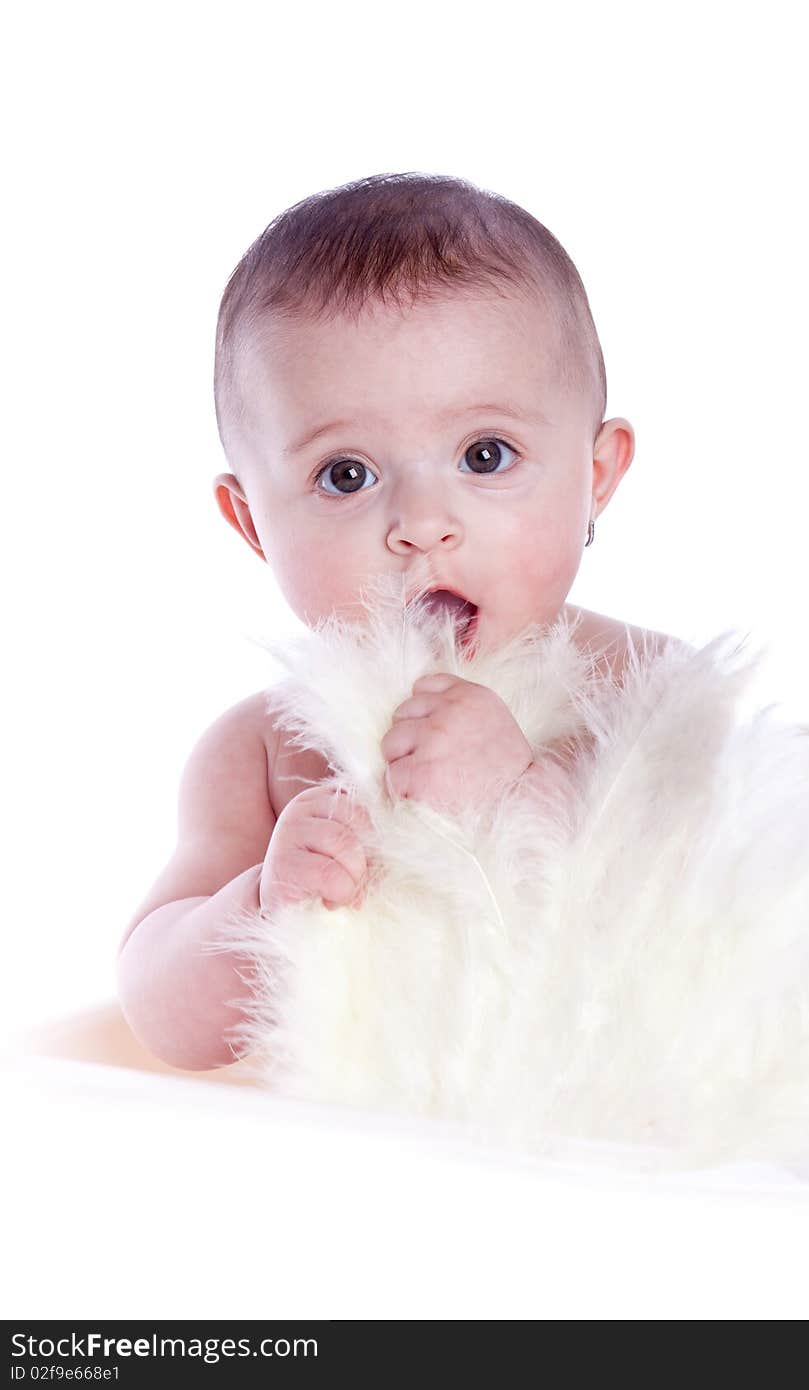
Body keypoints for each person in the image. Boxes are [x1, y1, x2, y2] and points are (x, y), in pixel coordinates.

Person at [117, 171, 674, 1072]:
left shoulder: (646, 692)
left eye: (484, 455)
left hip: (599, 1152)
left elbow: (722, 944)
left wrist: (523, 799)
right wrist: (262, 907)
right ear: (253, 522)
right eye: (347, 474)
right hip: (362, 1162)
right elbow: (158, 1013)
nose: (420, 521)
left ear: (597, 474)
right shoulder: (260, 756)